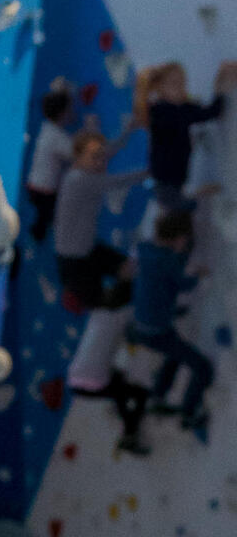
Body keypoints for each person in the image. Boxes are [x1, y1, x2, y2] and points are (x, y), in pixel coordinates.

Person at [132, 203, 214, 441]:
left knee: (175, 353)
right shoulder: (167, 261)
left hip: (145, 325)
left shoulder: (146, 248)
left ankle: (158, 395)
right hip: (156, 329)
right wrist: (198, 274)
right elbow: (184, 284)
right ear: (178, 238)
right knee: (202, 367)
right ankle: (189, 411)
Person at [64, 250, 152, 456]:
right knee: (140, 393)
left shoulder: (98, 312)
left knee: (118, 385)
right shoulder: (124, 314)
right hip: (95, 380)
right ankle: (130, 434)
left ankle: (121, 409)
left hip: (75, 378)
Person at [54, 122, 145, 309]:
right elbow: (119, 181)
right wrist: (152, 171)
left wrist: (127, 131)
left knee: (129, 268)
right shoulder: (79, 180)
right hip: (74, 260)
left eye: (102, 158)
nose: (101, 162)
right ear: (78, 157)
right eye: (95, 158)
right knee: (103, 303)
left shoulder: (82, 170)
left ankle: (146, 305)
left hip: (87, 249)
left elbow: (106, 151)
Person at [138, 57, 235, 212]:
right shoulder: (160, 110)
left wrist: (222, 79)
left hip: (176, 180)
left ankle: (198, 194)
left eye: (182, 83)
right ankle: (199, 194)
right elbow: (197, 113)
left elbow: (212, 112)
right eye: (174, 84)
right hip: (165, 182)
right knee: (188, 208)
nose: (181, 87)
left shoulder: (182, 108)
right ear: (160, 88)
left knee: (190, 207)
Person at [25, 78, 77, 241]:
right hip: (45, 191)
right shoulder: (57, 136)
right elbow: (77, 153)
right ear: (62, 114)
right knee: (51, 222)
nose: (73, 113)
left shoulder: (47, 128)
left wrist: (63, 92)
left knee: (44, 220)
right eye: (70, 110)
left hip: (36, 185)